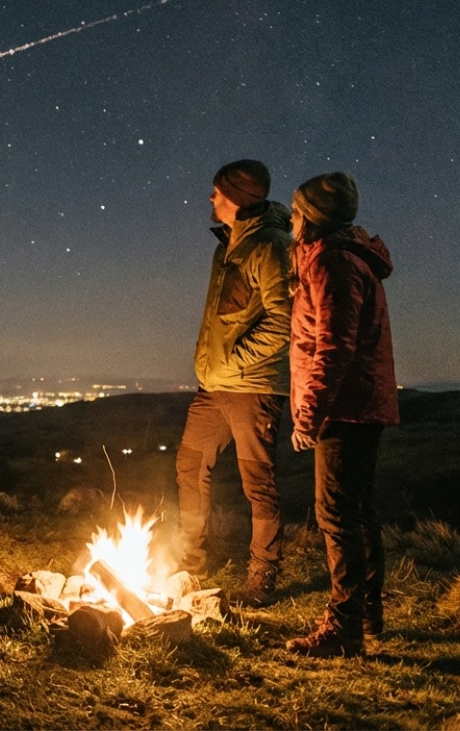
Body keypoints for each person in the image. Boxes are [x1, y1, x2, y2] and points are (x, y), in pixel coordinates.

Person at [283, 173, 399, 659]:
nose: (290, 219)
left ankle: (344, 628)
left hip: (344, 410)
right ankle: (364, 616)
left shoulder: (332, 261)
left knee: (336, 516)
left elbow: (332, 348)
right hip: (359, 405)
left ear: (311, 216)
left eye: (295, 211)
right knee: (356, 511)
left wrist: (308, 417)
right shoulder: (343, 258)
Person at [174, 159, 293, 607]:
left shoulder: (271, 246)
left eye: (218, 192)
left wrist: (237, 362)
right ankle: (190, 564)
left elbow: (285, 321)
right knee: (189, 464)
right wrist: (218, 367)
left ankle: (263, 575)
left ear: (238, 198)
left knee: (257, 482)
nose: (210, 198)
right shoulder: (228, 245)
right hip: (216, 384)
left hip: (252, 386)